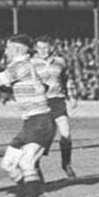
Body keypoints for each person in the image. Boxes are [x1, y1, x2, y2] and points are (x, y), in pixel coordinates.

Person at [0, 34, 57, 197]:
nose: (5, 51)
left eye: (8, 47)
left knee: (27, 163)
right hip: (30, 122)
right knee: (7, 164)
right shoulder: (25, 66)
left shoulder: (19, 65)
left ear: (18, 49)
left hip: (40, 121)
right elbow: (41, 86)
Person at [33, 36, 76, 178]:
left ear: (51, 47)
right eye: (39, 48)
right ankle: (35, 165)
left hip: (57, 100)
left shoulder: (60, 61)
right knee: (42, 137)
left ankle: (66, 164)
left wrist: (72, 96)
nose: (43, 51)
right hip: (40, 102)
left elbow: (67, 79)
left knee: (66, 132)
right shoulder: (32, 63)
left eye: (45, 47)